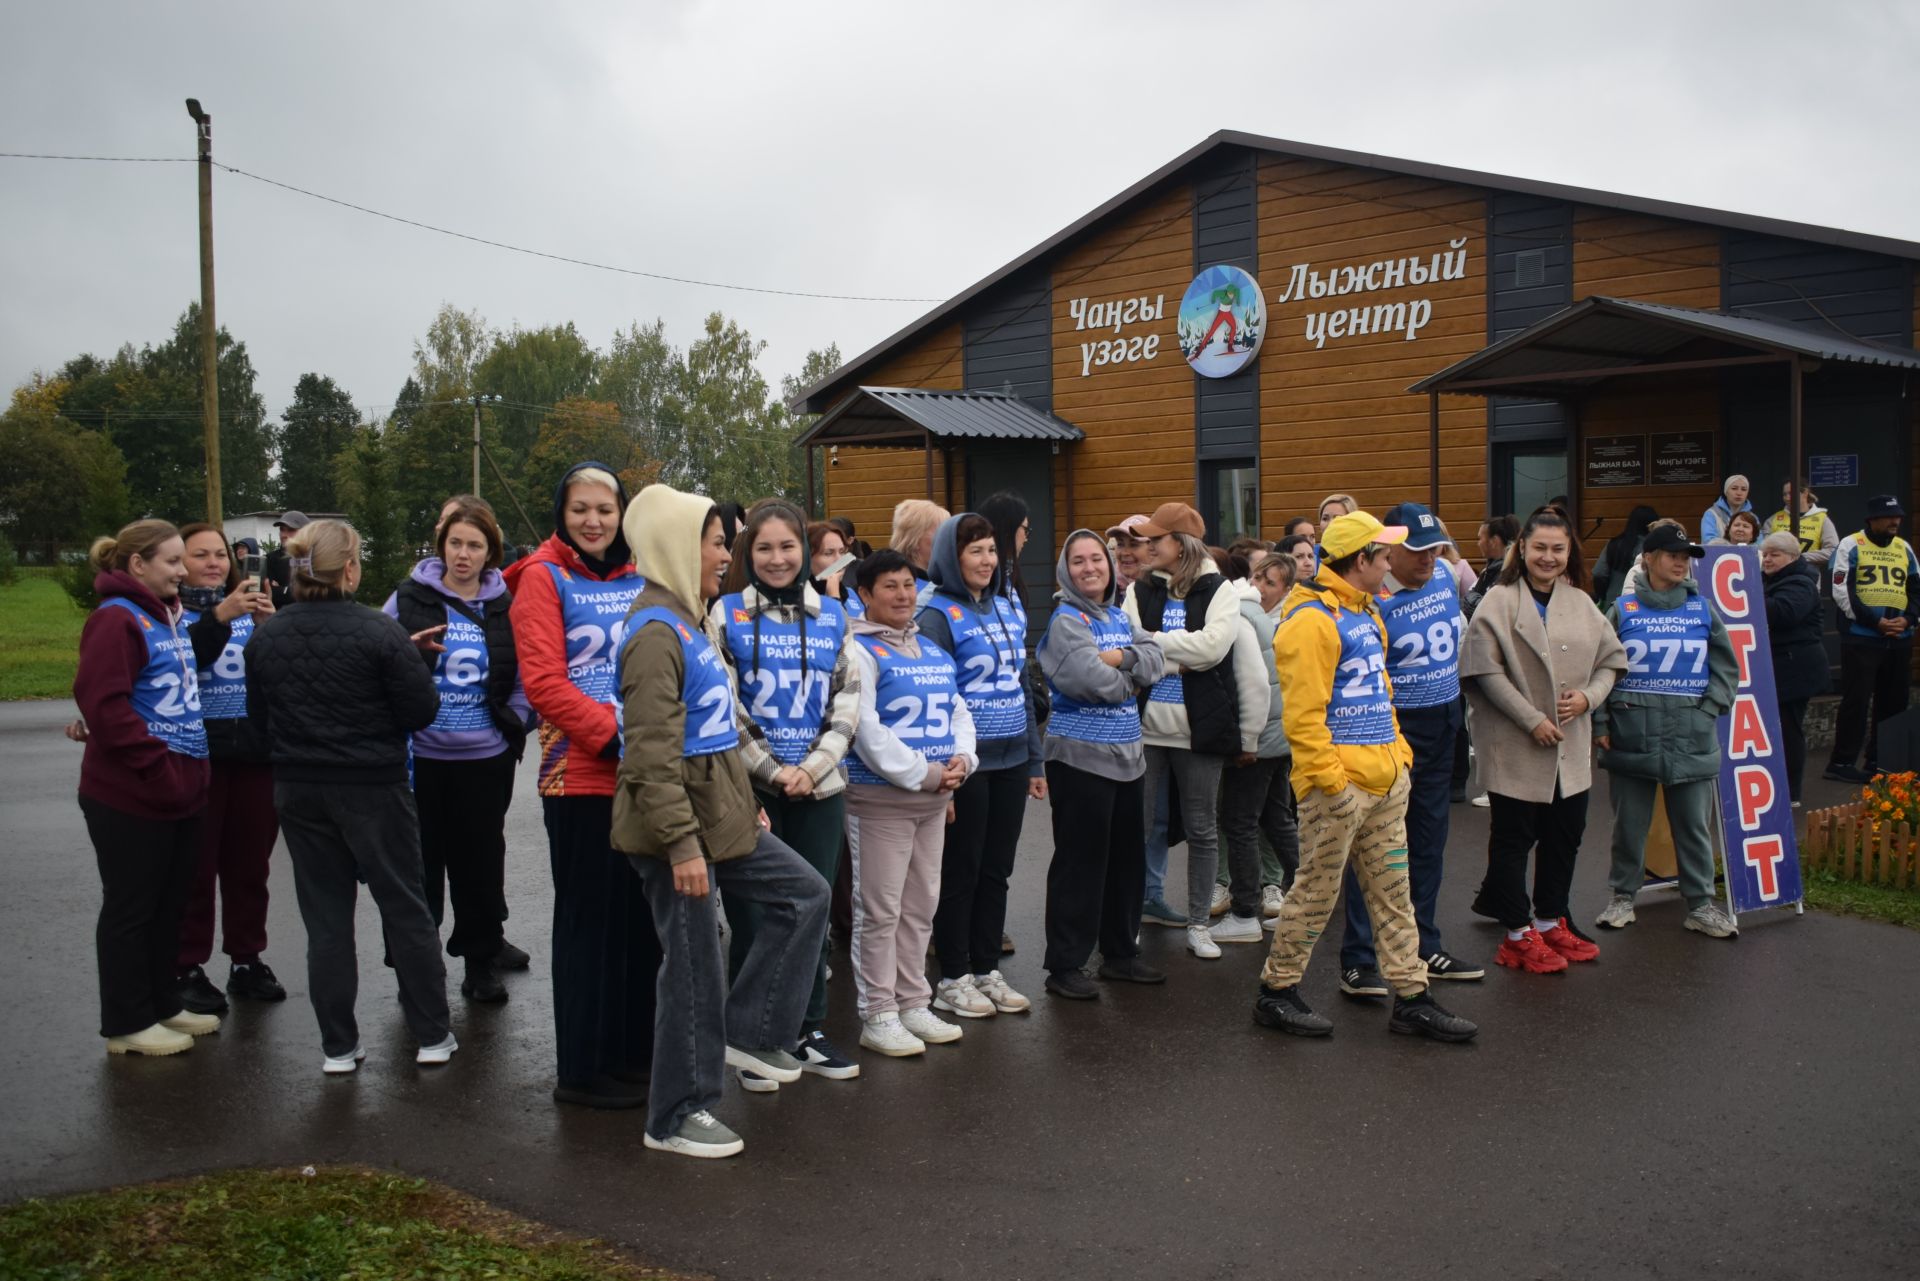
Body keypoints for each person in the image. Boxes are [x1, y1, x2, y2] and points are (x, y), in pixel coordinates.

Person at [613, 484, 831, 1160]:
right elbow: (649, 757)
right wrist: (681, 846)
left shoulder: (688, 616)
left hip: (720, 814)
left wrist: (743, 802)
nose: (722, 554)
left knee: (805, 893)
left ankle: (750, 1030)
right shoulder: (654, 632)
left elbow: (712, 734)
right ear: (678, 546)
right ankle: (677, 1113)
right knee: (693, 968)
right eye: (714, 541)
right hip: (676, 830)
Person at [1251, 512, 1477, 1042]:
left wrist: (1398, 755)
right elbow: (1303, 719)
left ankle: (1413, 998)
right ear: (1362, 562)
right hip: (1340, 790)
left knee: (1395, 894)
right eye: (1384, 555)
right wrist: (1333, 783)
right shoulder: (1311, 620)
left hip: (1385, 781)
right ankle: (1276, 993)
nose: (1393, 563)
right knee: (1315, 894)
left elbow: (1380, 691)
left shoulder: (1362, 609)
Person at [246, 519, 455, 1073]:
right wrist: (415, 666)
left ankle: (338, 1045)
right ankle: (432, 1034)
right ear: (352, 568)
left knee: (327, 921)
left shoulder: (267, 636)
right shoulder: (376, 632)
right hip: (373, 789)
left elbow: (258, 720)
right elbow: (420, 711)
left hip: (299, 789)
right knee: (406, 909)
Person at [506, 462, 660, 1109]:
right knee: (587, 926)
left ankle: (631, 1053)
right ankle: (581, 1068)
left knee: (638, 925)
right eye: (580, 509)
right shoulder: (543, 578)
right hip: (582, 778)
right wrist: (621, 737)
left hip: (647, 776)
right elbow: (543, 683)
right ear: (560, 514)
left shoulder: (640, 575)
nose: (594, 520)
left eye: (605, 508)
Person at [706, 500, 862, 1087]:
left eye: (788, 547)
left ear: (804, 549)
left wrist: (815, 768)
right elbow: (725, 705)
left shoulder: (833, 616)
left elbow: (848, 699)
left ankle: (805, 1029)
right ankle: (751, 1038)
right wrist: (772, 773)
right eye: (764, 548)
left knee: (814, 911)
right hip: (753, 792)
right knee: (753, 918)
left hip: (821, 790)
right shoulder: (724, 614)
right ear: (750, 553)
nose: (777, 558)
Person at [73, 520, 219, 1057]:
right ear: (138, 565)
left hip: (182, 791)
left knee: (170, 904)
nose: (183, 571)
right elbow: (104, 707)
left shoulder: (169, 614)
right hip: (131, 794)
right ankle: (127, 1022)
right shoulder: (116, 620)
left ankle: (163, 1002)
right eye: (173, 562)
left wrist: (189, 777)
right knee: (132, 909)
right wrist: (157, 770)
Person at [1462, 507, 1624, 975]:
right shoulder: (1499, 600)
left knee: (1564, 837)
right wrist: (1530, 718)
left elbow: (1611, 662)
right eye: (1539, 548)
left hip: (1569, 747)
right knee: (1513, 839)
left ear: (1569, 552)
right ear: (1522, 550)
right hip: (1516, 743)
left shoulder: (1581, 602)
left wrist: (1589, 699)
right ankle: (1516, 933)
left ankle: (1552, 920)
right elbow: (1483, 669)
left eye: (1558, 549)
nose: (1548, 557)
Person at [1334, 503, 1483, 996]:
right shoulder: (1369, 598)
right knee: (1376, 846)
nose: (1428, 558)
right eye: (1416, 549)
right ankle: (1359, 957)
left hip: (1443, 725)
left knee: (1428, 841)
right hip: (1392, 729)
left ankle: (1422, 944)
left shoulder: (1444, 574)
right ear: (1389, 551)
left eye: (1435, 547)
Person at [385, 498, 529, 1005]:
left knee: (479, 866)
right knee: (418, 866)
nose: (463, 554)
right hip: (420, 759)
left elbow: (522, 674)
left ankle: (479, 962)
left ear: (490, 551)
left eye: (474, 545)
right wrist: (409, 655)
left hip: (484, 759)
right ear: (441, 545)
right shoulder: (407, 599)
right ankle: (415, 969)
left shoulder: (504, 605)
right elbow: (379, 667)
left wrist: (513, 724)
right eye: (455, 544)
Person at [842, 548, 978, 1056]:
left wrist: (963, 762)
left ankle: (913, 1000)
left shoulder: (934, 652)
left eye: (907, 586)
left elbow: (958, 713)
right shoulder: (857, 652)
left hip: (931, 802)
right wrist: (925, 775)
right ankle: (878, 1013)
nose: (902, 596)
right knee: (880, 910)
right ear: (865, 596)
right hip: (879, 801)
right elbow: (865, 730)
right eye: (890, 587)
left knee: (921, 906)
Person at [917, 512, 1042, 1017]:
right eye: (976, 551)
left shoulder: (1009, 607)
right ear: (952, 555)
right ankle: (953, 974)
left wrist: (1035, 758)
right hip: (965, 764)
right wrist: (941, 777)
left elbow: (1022, 689)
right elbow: (931, 696)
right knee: (960, 870)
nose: (988, 560)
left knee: (997, 869)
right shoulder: (935, 614)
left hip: (1013, 757)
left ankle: (987, 968)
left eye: (992, 550)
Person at [1592, 525, 1741, 938]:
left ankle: (1700, 905)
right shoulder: (1622, 610)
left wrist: (1709, 709)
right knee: (1629, 826)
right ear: (1649, 558)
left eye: (1686, 556)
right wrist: (1601, 722)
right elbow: (1601, 668)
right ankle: (1622, 898)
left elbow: (1726, 668)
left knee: (1694, 827)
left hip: (1689, 735)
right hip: (1631, 734)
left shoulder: (1702, 610)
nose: (1681, 562)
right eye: (1673, 554)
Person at [1124, 503, 1258, 959]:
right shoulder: (1142, 587)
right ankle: (1130, 920)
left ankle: (1199, 924)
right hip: (1143, 730)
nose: (1146, 547)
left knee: (1202, 830)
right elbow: (1128, 641)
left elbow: (1214, 649)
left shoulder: (1219, 589)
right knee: (1136, 829)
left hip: (1201, 732)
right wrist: (1179, 656)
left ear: (1179, 545)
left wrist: (1155, 648)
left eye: (1155, 540)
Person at [1037, 530, 1167, 998]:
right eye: (1078, 561)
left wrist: (1124, 659)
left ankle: (1120, 954)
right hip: (1080, 759)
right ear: (1064, 571)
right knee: (1081, 862)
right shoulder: (1065, 621)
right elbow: (1089, 681)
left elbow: (1157, 658)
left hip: (1129, 757)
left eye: (1097, 559)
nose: (1090, 568)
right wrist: (1130, 679)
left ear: (1111, 567)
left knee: (1126, 861)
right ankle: (1066, 965)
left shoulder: (1117, 615)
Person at [174, 522, 282, 1014]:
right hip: (201, 754)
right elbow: (181, 664)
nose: (215, 563)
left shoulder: (251, 606)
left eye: (220, 554)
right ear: (180, 562)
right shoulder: (171, 613)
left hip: (256, 754)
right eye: (201, 555)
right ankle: (187, 965)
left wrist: (270, 628)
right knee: (197, 867)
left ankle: (246, 959)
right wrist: (219, 615)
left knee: (249, 866)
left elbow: (279, 673)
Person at [1212, 549, 1298, 942]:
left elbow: (1254, 685)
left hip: (1262, 741)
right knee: (1276, 819)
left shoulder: (1242, 614)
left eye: (1271, 582)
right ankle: (1309, 899)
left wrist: (1248, 740)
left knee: (1240, 822)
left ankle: (1245, 912)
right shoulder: (1259, 615)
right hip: (1277, 738)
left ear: (1285, 591)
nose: (1260, 585)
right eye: (1259, 576)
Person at [1824, 495, 1920, 783]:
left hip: (1899, 637)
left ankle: (1882, 761)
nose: (1895, 522)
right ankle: (1840, 763)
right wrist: (1875, 622)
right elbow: (1841, 590)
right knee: (1856, 700)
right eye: (1889, 517)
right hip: (1862, 637)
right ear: (1872, 519)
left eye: (1898, 517)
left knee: (1894, 702)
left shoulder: (1904, 548)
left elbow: (1916, 589)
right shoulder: (1851, 544)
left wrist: (1909, 619)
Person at [1760, 531, 1830, 805]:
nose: (1767, 559)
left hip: (1796, 668)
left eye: (1774, 555)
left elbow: (1784, 613)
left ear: (1792, 557)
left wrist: (1745, 597)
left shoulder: (1800, 583)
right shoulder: (1776, 580)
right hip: (1786, 666)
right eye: (1765, 554)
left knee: (1789, 728)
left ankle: (1790, 792)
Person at [1766, 479, 1839, 577]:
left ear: (1805, 493)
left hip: (1808, 579)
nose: (1787, 498)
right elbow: (1762, 549)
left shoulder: (1822, 519)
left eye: (1791, 493)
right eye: (1784, 494)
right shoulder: (1774, 519)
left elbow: (1833, 551)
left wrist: (1801, 557)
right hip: (1777, 579)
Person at [1592, 505, 1658, 609]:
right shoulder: (1656, 548)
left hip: (1614, 604)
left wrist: (1603, 596)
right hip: (1645, 607)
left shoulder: (1614, 544)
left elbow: (1599, 572)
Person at [889, 498, 949, 602]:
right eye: (941, 532)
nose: (948, 540)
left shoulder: (944, 582)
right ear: (914, 539)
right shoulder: (898, 589)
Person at [264, 510, 308, 608]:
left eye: (291, 530)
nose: (284, 535)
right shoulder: (270, 559)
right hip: (278, 618)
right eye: (282, 529)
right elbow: (268, 593)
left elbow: (314, 595)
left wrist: (283, 590)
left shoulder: (315, 558)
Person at [1699, 475, 1752, 545]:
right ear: (1726, 491)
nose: (1739, 493)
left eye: (1743, 489)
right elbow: (1709, 541)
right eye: (1734, 488)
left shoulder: (1752, 517)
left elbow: (1759, 543)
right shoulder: (1711, 514)